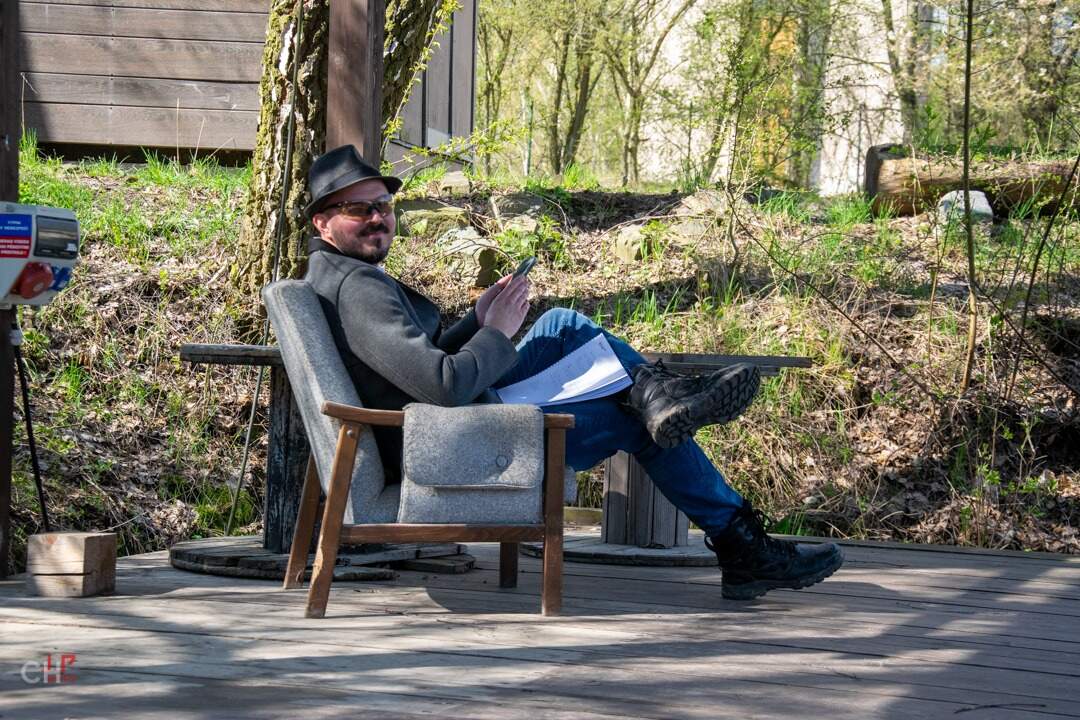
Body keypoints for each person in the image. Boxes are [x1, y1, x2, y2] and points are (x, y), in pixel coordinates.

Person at [302, 145, 844, 600]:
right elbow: (443, 386)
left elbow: (419, 367)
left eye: (383, 204)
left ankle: (659, 396)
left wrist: (479, 319)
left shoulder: (338, 276)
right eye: (358, 209)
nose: (377, 217)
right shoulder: (359, 288)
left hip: (443, 422)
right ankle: (741, 543)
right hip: (446, 441)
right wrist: (497, 332)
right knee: (634, 421)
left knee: (561, 323)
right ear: (322, 222)